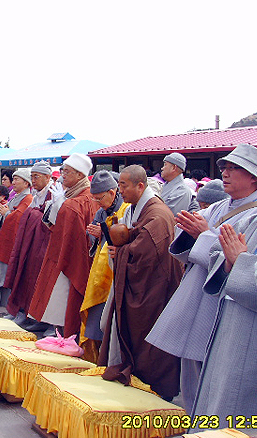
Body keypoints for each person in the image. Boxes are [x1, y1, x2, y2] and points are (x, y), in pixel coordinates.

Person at [146, 143, 257, 412]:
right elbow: (186, 243)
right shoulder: (221, 206)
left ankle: (206, 424)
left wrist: (203, 234)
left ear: (253, 177)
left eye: (234, 169)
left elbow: (239, 259)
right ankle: (194, 420)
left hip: (220, 299)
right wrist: (191, 231)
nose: (225, 173)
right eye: (225, 167)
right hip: (196, 291)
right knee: (190, 365)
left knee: (211, 368)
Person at [192, 153, 257, 422]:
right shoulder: (255, 219)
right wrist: (230, 262)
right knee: (218, 394)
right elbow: (218, 252)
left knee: (244, 408)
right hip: (230, 323)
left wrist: (240, 261)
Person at [98, 165, 182, 399]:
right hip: (143, 285)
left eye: (124, 185)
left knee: (149, 340)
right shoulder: (138, 209)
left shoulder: (157, 215)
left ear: (140, 186)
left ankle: (153, 388)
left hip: (154, 289)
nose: (120, 190)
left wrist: (121, 252)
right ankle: (135, 378)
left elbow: (144, 255)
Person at [28, 153, 98, 337]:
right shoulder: (75, 196)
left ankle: (66, 333)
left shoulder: (81, 199)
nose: (63, 175)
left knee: (67, 294)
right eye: (63, 171)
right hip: (70, 251)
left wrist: (61, 205)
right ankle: (61, 331)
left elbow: (66, 226)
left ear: (80, 175)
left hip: (73, 255)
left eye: (67, 172)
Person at [80, 171, 130, 363]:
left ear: (112, 192)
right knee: (97, 311)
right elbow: (94, 237)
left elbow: (126, 237)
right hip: (101, 269)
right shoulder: (101, 212)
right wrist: (95, 234)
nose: (97, 203)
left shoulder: (126, 209)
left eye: (99, 198)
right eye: (94, 199)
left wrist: (106, 232)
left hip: (117, 268)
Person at [4, 160, 54, 324]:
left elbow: (48, 219)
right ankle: (21, 311)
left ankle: (34, 317)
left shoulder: (53, 195)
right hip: (29, 243)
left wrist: (32, 215)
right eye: (32, 176)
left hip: (43, 245)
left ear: (47, 177)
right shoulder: (36, 196)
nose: (33, 180)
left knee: (37, 280)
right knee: (23, 275)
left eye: (36, 176)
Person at [0, 168, 32, 306]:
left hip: (12, 245)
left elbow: (19, 219)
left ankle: (7, 305)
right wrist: (6, 214)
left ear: (26, 183)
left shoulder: (28, 199)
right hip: (4, 243)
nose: (13, 182)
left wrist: (7, 214)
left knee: (9, 275)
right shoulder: (16, 197)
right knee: (1, 273)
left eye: (16, 179)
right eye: (13, 179)